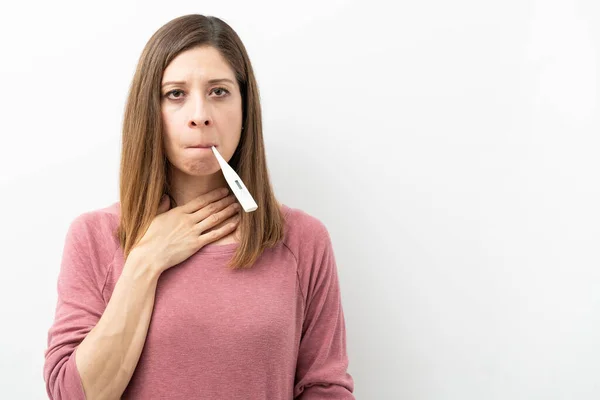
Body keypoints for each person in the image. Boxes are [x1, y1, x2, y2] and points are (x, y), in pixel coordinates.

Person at [43, 14, 354, 399]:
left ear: (245, 107)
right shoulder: (92, 236)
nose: (200, 115)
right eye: (176, 94)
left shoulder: (303, 240)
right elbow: (72, 395)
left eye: (219, 92)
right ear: (150, 112)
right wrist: (145, 262)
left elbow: (325, 388)